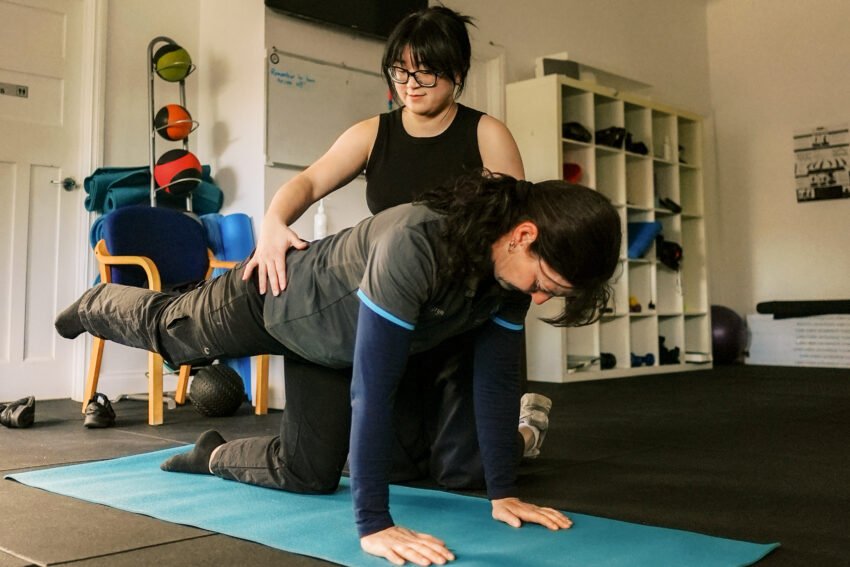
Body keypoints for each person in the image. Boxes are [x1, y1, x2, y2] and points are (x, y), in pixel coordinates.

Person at [56, 174, 622, 566]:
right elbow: (374, 390)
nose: (543, 299)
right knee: (171, 335)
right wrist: (374, 524)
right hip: (273, 296)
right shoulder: (417, 242)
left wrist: (502, 491)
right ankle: (95, 302)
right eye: (548, 284)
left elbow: (497, 383)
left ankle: (213, 453)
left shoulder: (507, 282)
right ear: (525, 237)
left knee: (308, 473)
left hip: (329, 346)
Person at [247, 6, 542, 475]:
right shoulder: (372, 133)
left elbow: (512, 234)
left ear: (458, 73)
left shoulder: (486, 133)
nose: (411, 85)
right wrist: (271, 226)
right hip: (401, 310)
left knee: (467, 471)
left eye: (427, 74)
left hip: (462, 317)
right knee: (396, 468)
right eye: (401, 71)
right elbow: (306, 182)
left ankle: (525, 429)